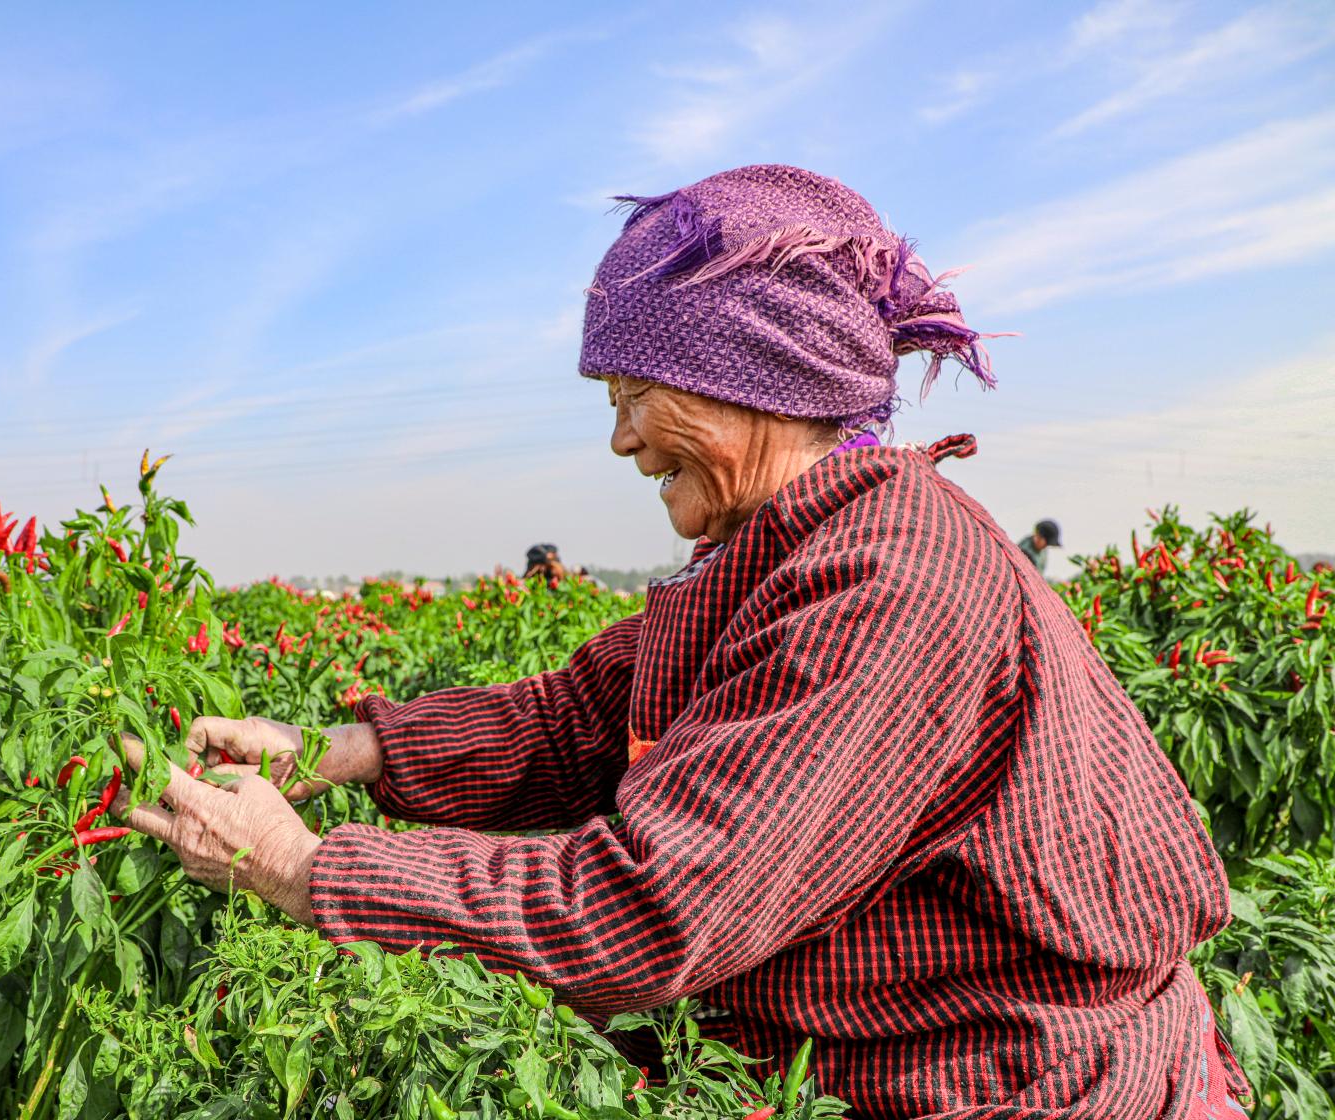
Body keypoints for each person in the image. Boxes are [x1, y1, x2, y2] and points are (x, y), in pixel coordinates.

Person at [116, 165, 1238, 1119]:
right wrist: (343, 750)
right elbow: (580, 714)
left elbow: (653, 906)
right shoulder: (780, 552)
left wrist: (305, 867)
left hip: (1018, 1088)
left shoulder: (887, 578)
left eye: (634, 393)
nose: (618, 440)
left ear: (748, 383)